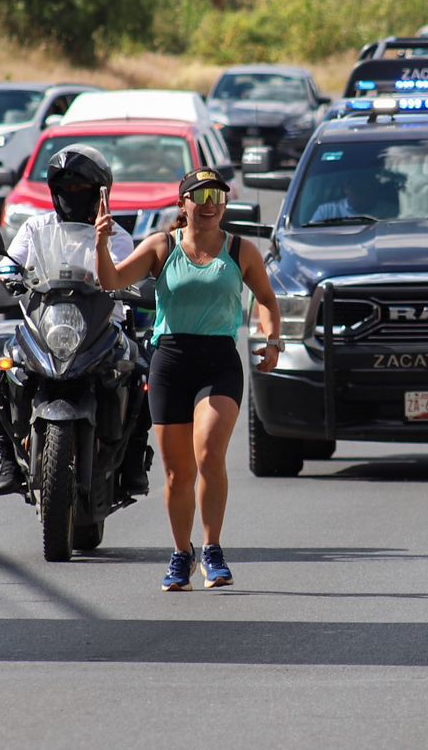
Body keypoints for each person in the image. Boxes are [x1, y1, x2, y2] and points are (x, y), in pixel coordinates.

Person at [96, 167, 283, 592]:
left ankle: (212, 550)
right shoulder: (162, 246)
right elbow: (111, 280)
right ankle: (182, 554)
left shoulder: (241, 250)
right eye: (199, 197)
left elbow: (267, 300)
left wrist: (272, 340)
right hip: (170, 362)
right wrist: (101, 243)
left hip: (219, 361)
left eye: (217, 197)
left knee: (209, 453)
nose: (209, 205)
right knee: (178, 472)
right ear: (183, 204)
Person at [0, 145, 146, 497]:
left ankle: (132, 459)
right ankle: (8, 453)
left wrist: (130, 286)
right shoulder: (35, 228)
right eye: (65, 188)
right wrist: (4, 278)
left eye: (80, 188)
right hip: (46, 326)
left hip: (102, 328)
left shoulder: (115, 235)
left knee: (141, 366)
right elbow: (9, 266)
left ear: (100, 193)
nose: (72, 194)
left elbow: (126, 274)